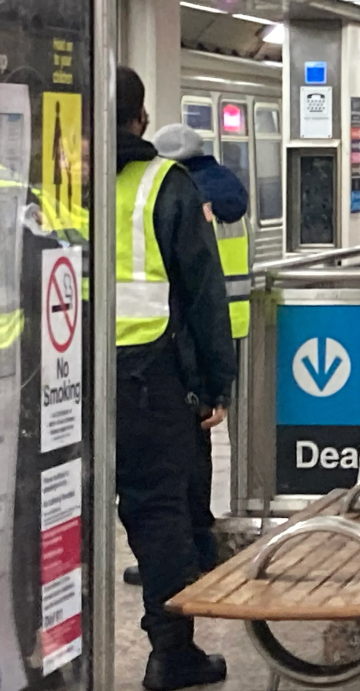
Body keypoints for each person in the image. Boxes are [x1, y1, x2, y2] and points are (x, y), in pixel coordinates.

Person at [114, 68, 238, 691]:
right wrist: (217, 384)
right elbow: (204, 294)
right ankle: (171, 655)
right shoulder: (166, 184)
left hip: (62, 378)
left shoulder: (58, 182)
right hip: (147, 379)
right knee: (160, 514)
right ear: (140, 119)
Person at [120, 124, 250, 587]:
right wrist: (217, 381)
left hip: (137, 352)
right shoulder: (198, 189)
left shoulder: (166, 187)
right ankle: (174, 643)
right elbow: (203, 289)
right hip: (187, 347)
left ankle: (189, 551)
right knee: (172, 482)